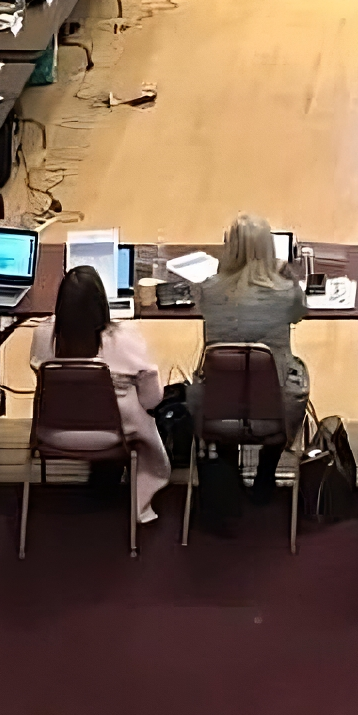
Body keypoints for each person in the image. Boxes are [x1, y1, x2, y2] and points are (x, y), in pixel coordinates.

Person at [31, 263, 173, 521]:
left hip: (55, 430)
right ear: (101, 302)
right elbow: (153, 398)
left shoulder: (43, 334)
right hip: (113, 432)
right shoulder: (124, 337)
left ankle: (103, 478)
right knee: (153, 417)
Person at [195, 215, 309, 496]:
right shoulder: (285, 293)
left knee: (223, 380)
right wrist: (290, 279)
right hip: (275, 409)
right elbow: (300, 314)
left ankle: (228, 475)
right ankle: (265, 475)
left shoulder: (208, 291)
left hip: (216, 408)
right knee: (294, 373)